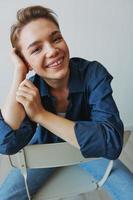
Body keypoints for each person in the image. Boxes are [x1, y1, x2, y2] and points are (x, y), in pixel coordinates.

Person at [0, 5, 133, 200]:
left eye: (56, 38)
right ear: (27, 62)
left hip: (89, 151)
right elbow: (6, 143)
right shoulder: (30, 88)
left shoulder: (93, 73)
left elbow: (112, 142)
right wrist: (19, 71)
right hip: (46, 149)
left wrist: (41, 115)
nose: (52, 50)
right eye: (36, 49)